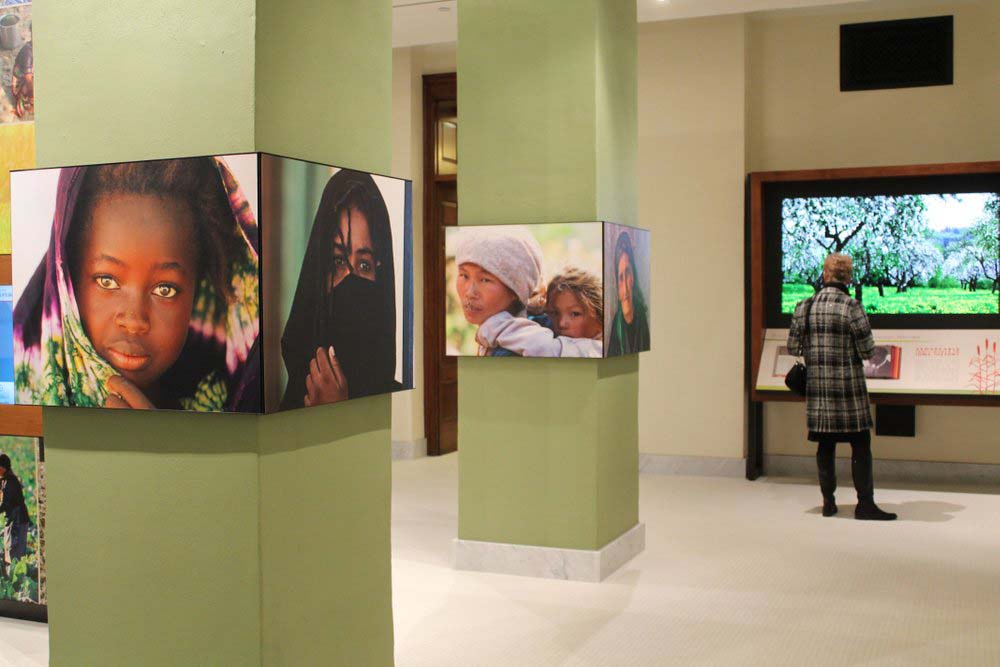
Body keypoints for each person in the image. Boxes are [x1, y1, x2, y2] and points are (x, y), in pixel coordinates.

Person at [13, 157, 261, 412]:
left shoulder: (225, 408)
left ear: (198, 290)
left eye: (165, 289)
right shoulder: (20, 403)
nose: (134, 321)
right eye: (107, 281)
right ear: (67, 282)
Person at [787, 253, 897, 520]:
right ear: (848, 277)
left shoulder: (805, 306)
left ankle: (828, 503)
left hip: (819, 390)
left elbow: (793, 347)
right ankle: (864, 504)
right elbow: (868, 350)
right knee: (860, 444)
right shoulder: (852, 307)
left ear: (824, 275)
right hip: (848, 390)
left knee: (825, 446)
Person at [279, 169, 400, 409]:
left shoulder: (401, 405)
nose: (350, 281)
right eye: (338, 261)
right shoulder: (290, 403)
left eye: (364, 264)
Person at [453, 227, 546, 357]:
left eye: (485, 280)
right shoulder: (495, 337)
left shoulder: (514, 351)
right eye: (464, 276)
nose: (469, 292)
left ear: (516, 290)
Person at [476, 267, 603, 358]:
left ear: (599, 318)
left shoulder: (598, 349)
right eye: (555, 313)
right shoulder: (550, 325)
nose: (561, 323)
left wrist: (492, 326)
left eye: (575, 314)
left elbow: (543, 347)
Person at [607, 231, 650, 355]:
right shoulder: (617, 324)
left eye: (628, 273)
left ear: (634, 276)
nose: (625, 288)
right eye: (620, 278)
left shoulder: (641, 316)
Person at [0, 454, 30, 567]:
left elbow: (4, 504)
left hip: (17, 521)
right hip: (15, 520)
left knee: (14, 555)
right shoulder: (5, 480)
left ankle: (18, 581)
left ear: (2, 468)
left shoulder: (10, 482)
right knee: (12, 552)